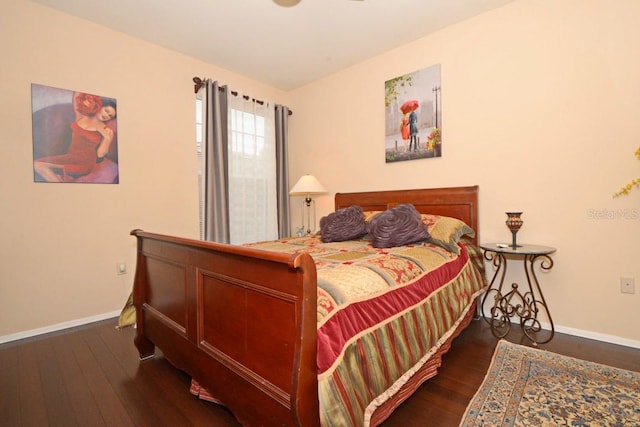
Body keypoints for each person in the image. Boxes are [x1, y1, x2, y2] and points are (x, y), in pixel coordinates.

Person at [34, 92, 117, 182]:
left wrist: (106, 138)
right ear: (100, 106)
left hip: (85, 163)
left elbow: (100, 155)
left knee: (38, 165)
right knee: (36, 163)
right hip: (70, 157)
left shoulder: (107, 131)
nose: (107, 115)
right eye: (106, 111)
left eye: (110, 116)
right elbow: (77, 97)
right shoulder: (81, 117)